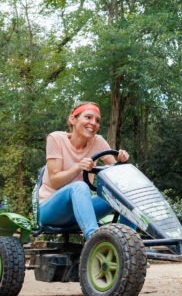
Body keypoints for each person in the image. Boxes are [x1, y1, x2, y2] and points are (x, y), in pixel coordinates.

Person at [37, 101, 131, 239]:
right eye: (88, 117)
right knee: (79, 187)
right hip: (51, 210)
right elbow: (54, 181)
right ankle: (94, 239)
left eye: (97, 120)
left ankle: (128, 241)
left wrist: (121, 161)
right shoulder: (56, 138)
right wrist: (77, 167)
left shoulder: (97, 141)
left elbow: (117, 174)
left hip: (81, 209)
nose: (93, 123)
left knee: (124, 192)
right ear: (72, 119)